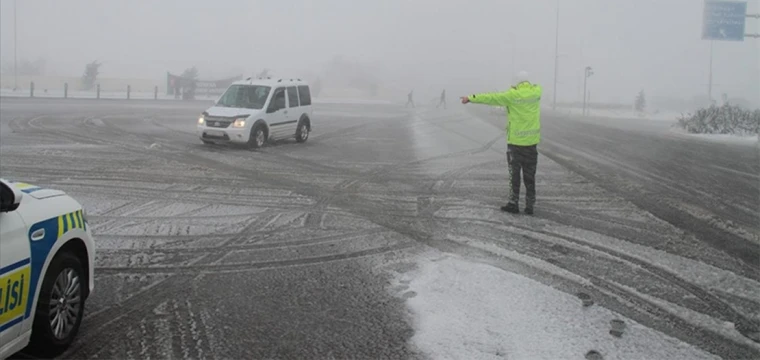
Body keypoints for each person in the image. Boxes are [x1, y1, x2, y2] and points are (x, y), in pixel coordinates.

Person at [460, 71, 542, 215]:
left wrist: (470, 98)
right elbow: (536, 87)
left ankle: (513, 203)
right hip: (531, 144)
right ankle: (530, 205)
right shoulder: (536, 93)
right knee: (530, 176)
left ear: (515, 83)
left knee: (514, 175)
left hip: (515, 144)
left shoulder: (511, 96)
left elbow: (491, 97)